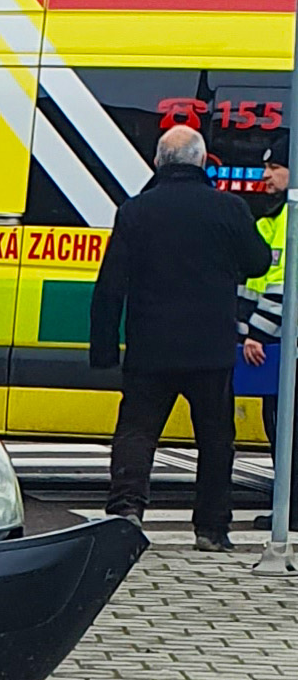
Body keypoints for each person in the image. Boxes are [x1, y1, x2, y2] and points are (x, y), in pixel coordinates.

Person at [91, 123, 272, 551]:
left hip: (150, 347)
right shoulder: (228, 209)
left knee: (137, 431)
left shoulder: (136, 211)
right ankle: (211, 529)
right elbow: (259, 262)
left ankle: (126, 511)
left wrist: (103, 350)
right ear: (202, 162)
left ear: (158, 162)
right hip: (210, 348)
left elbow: (110, 285)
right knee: (215, 439)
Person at [240, 134, 288, 507]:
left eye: (274, 168)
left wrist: (255, 332)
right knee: (276, 422)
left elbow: (284, 285)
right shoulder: (270, 217)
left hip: (282, 341)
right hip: (272, 341)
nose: (265, 176)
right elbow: (253, 283)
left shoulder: (291, 216)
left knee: (287, 424)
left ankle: (290, 510)